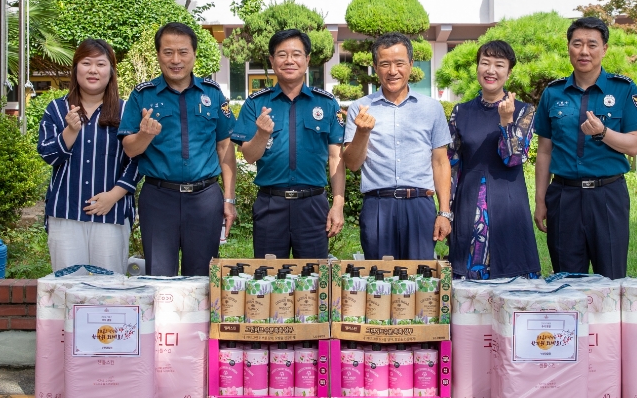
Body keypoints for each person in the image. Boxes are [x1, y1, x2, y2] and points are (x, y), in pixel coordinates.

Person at [533, 16, 637, 279]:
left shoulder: (623, 89)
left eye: (592, 44)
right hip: (564, 196)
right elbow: (544, 151)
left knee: (611, 277)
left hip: (608, 195)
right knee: (566, 280)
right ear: (568, 48)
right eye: (577, 44)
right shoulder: (553, 93)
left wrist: (603, 132)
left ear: (604, 49)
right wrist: (540, 200)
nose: (584, 51)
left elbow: (633, 145)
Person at [119, 22, 237, 276]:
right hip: (159, 198)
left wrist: (229, 199)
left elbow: (225, 147)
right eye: (168, 52)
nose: (176, 60)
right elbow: (130, 149)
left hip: (205, 198)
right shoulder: (142, 95)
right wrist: (145, 135)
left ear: (194, 54)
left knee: (202, 277)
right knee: (160, 277)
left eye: (183, 52)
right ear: (158, 55)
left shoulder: (213, 94)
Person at [231, 28, 345, 258]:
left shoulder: (326, 103)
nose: (289, 61)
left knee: (314, 276)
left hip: (313, 205)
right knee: (268, 276)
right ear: (272, 60)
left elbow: (336, 157)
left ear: (307, 59)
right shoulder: (256, 103)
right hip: (271, 204)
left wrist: (338, 204)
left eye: (296, 54)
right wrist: (262, 134)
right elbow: (249, 156)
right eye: (282, 55)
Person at [343, 32, 452, 260]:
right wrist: (363, 132)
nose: (393, 71)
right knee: (379, 276)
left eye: (399, 63)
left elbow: (441, 162)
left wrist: (444, 212)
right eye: (385, 64)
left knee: (421, 276)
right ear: (375, 67)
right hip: (378, 206)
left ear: (411, 64)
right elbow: (352, 164)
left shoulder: (431, 108)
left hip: (420, 205)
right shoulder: (360, 108)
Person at [37, 38, 140, 274]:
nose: (93, 70)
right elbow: (48, 154)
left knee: (109, 287)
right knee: (67, 286)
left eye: (100, 64)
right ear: (76, 69)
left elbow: (138, 159)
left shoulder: (126, 111)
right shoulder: (57, 109)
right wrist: (70, 131)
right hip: (65, 213)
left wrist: (113, 196)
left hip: (111, 213)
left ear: (111, 71)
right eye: (86, 63)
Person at [447, 40, 539, 280]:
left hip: (508, 205)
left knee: (511, 279)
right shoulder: (461, 112)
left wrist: (506, 121)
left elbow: (513, 158)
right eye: (485, 63)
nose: (490, 70)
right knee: (467, 284)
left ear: (509, 72)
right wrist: (445, 211)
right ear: (477, 67)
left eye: (499, 65)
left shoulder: (524, 111)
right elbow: (451, 166)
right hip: (468, 206)